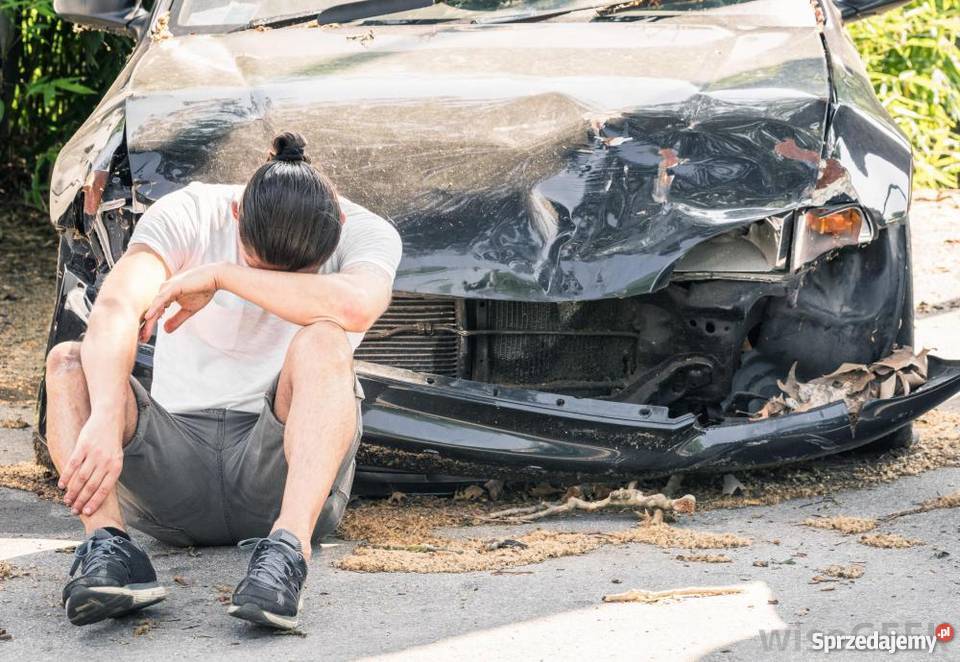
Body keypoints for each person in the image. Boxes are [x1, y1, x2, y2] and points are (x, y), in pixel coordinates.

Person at [42, 132, 402, 629]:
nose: (274, 286)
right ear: (237, 214)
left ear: (336, 225)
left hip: (278, 473)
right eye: (257, 265)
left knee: (324, 338)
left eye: (299, 277)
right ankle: (110, 550)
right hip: (173, 473)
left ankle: (285, 557)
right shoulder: (191, 212)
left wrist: (225, 275)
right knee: (68, 362)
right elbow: (118, 306)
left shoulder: (367, 230)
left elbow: (358, 305)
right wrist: (105, 413)